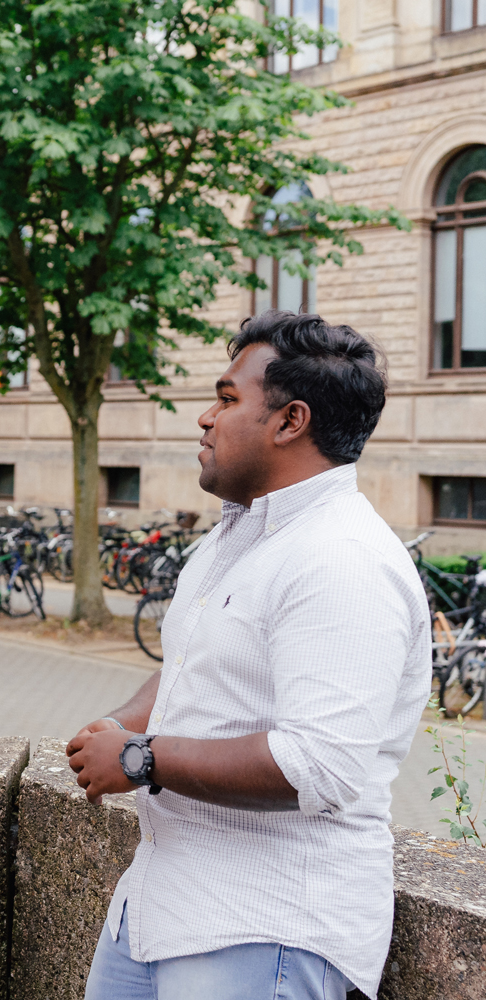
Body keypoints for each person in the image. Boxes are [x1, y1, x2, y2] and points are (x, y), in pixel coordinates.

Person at [67, 311, 431, 1000]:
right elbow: (194, 663)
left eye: (228, 399)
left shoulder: (342, 559)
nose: (204, 417)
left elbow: (318, 765)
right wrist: (119, 726)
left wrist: (143, 759)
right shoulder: (237, 535)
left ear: (289, 421)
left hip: (266, 928)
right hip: (158, 906)